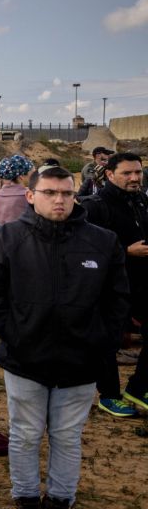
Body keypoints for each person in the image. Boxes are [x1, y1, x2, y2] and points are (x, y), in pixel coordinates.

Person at [0, 165, 128, 509]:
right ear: (31, 195)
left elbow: (117, 301)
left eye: (66, 193)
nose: (59, 199)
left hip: (81, 362)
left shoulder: (102, 242)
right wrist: (16, 335)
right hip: (25, 360)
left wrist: (101, 343)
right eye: (49, 192)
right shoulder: (5, 239)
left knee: (67, 437)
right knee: (25, 436)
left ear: (75, 194)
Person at [81, 153, 148, 419]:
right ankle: (109, 396)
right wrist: (124, 251)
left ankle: (138, 388)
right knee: (108, 342)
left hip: (141, 282)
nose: (134, 178)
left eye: (138, 173)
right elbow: (83, 249)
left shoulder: (141, 200)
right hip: (108, 286)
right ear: (109, 174)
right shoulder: (96, 206)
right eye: (127, 173)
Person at [0, 155, 34, 226]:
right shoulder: (26, 196)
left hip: (2, 235)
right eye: (32, 174)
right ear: (21, 177)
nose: (34, 177)